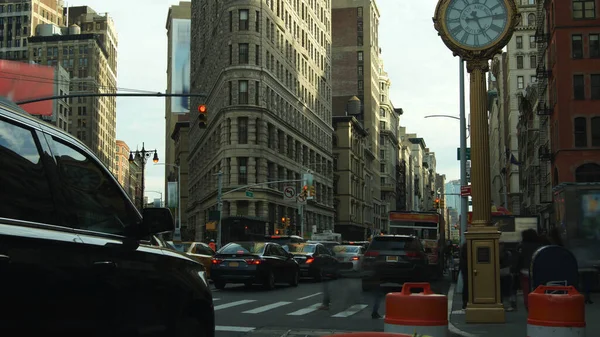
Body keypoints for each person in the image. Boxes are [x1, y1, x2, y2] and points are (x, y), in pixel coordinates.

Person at [459, 242, 468, 310]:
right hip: (466, 268)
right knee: (467, 286)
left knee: (466, 286)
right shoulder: (466, 246)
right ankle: (465, 302)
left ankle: (465, 303)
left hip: (464, 268)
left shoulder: (464, 246)